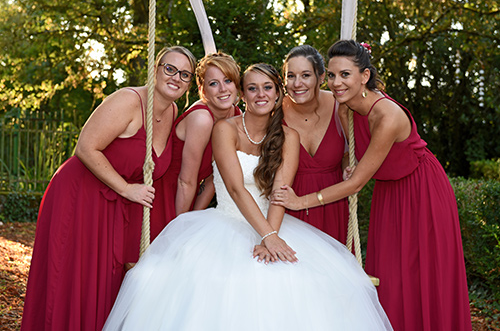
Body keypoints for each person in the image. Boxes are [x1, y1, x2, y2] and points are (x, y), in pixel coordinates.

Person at [102, 63, 393, 330]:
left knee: (303, 283)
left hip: (273, 222)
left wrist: (273, 235)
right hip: (226, 222)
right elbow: (235, 188)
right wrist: (267, 236)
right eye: (252, 88)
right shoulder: (224, 130)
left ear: (279, 95)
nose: (260, 94)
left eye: (268, 88)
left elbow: (281, 192)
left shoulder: (288, 137)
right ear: (243, 95)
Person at [271, 39, 472, 331]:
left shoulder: (386, 115)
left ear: (364, 76)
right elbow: (356, 159)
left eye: (345, 75)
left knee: (424, 274)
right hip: (388, 192)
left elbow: (355, 184)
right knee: (389, 276)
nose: (337, 83)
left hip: (421, 191)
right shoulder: (346, 109)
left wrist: (301, 201)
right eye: (332, 75)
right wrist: (353, 165)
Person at [21, 46, 196, 331]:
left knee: (108, 284)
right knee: (76, 281)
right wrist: (127, 189)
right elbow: (86, 147)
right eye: (170, 68)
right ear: (155, 68)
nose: (176, 77)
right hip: (82, 197)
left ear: (189, 83)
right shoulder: (129, 101)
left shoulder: (174, 111)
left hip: (116, 205)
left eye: (185, 74)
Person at [150, 52, 242, 239]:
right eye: (213, 83)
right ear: (203, 90)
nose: (223, 89)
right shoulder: (202, 119)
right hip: (164, 194)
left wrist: (194, 218)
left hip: (188, 197)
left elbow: (214, 178)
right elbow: (186, 180)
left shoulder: (236, 116)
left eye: (228, 80)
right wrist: (179, 228)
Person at [281, 45, 349, 243]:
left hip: (333, 205)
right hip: (289, 208)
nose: (297, 83)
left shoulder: (341, 107)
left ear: (320, 78)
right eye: (291, 76)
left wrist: (348, 169)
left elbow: (347, 154)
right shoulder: (274, 111)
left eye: (305, 75)